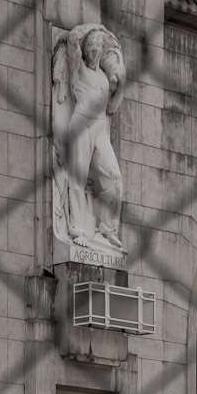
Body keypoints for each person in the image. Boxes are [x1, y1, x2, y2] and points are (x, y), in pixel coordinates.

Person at [53, 23, 126, 256]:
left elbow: (112, 107)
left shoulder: (105, 79)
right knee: (78, 176)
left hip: (100, 127)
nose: (94, 52)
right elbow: (73, 39)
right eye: (91, 47)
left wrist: (120, 84)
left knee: (114, 177)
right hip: (81, 125)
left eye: (98, 48)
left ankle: (107, 228)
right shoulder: (78, 68)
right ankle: (77, 229)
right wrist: (98, 29)